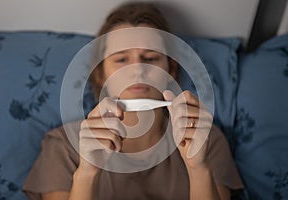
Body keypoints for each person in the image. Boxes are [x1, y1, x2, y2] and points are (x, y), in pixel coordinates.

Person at [23, 2, 243, 200]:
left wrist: (198, 168)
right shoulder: (64, 145)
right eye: (121, 59)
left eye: (150, 58)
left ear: (170, 69)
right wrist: (87, 174)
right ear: (101, 74)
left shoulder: (206, 138)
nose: (138, 70)